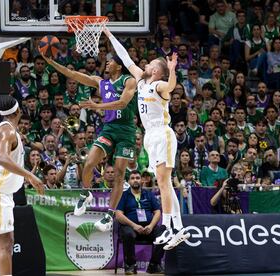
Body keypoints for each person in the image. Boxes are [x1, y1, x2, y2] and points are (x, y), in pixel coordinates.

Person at [103, 27, 190, 250]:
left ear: (156, 71)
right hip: (150, 135)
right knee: (166, 184)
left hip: (163, 133)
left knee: (163, 183)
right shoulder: (141, 82)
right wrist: (110, 35)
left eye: (150, 64)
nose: (146, 64)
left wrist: (172, 71)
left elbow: (171, 86)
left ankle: (167, 228)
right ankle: (178, 228)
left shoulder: (159, 85)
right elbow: (125, 56)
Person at [40, 49, 137, 232]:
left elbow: (123, 103)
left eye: (111, 61)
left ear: (119, 65)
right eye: (107, 61)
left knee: (118, 174)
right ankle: (86, 193)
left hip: (126, 132)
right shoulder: (101, 82)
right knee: (89, 163)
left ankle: (109, 215)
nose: (107, 63)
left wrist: (96, 106)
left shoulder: (129, 81)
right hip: (109, 129)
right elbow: (72, 74)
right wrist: (50, 61)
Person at [0, 96, 44, 276]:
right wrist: (30, 175)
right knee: (6, 243)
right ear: (18, 111)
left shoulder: (5, 129)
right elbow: (2, 158)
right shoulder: (7, 131)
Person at [116, 170, 164, 274]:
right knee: (128, 234)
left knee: (163, 234)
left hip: (148, 229)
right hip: (131, 228)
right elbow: (118, 214)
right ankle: (130, 265)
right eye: (132, 178)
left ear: (141, 180)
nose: (135, 180)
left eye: (137, 178)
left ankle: (154, 265)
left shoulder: (148, 194)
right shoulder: (124, 195)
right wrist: (134, 226)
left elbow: (157, 212)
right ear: (128, 181)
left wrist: (151, 226)